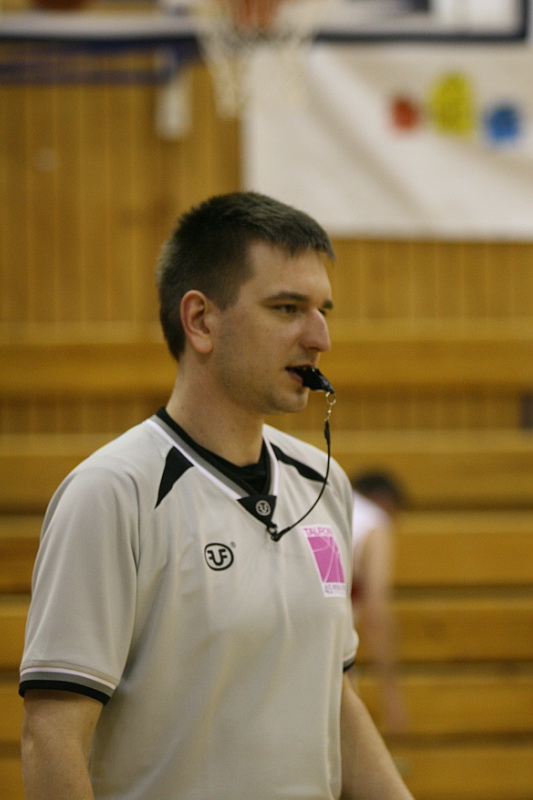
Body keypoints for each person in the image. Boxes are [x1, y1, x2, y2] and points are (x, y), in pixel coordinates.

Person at [19, 191, 415, 800]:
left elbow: (333, 697)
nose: (320, 338)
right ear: (201, 321)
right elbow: (52, 739)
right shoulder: (111, 494)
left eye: (323, 310)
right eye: (288, 308)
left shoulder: (325, 485)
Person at [351, 471, 407, 735]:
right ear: (384, 501)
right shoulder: (373, 521)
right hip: (321, 652)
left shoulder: (320, 505)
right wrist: (390, 692)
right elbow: (377, 608)